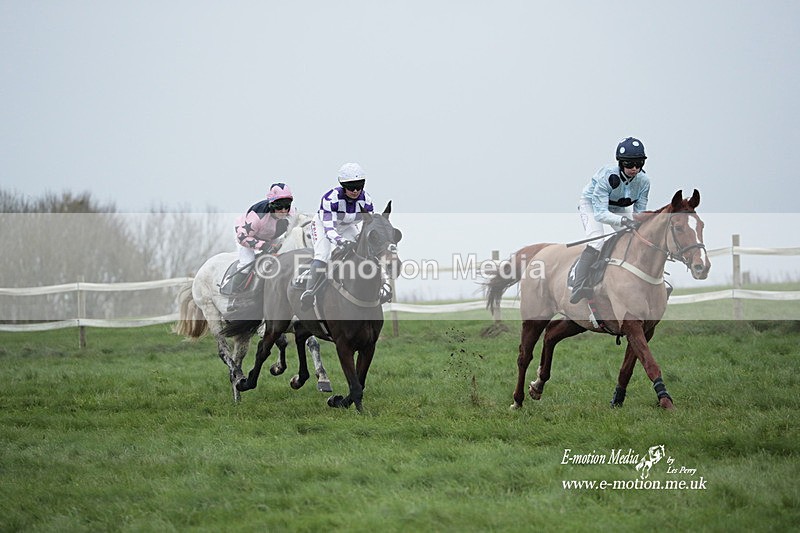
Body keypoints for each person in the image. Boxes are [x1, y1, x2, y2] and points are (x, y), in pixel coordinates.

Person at [570, 137, 651, 304]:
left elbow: (639, 213)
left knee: (634, 237)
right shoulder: (607, 177)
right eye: (629, 164)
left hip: (617, 207)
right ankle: (578, 285)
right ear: (621, 163)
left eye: (639, 164)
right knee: (597, 242)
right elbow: (600, 214)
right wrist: (624, 221)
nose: (634, 169)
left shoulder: (644, 181)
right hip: (592, 205)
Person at [300, 162, 374, 309]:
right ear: (342, 185)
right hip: (324, 226)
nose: (355, 191)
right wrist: (341, 242)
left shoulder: (367, 200)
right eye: (351, 187)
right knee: (323, 255)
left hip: (347, 226)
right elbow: (329, 230)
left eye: (359, 186)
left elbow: (368, 226)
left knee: (365, 251)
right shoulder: (331, 199)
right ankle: (309, 293)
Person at [226, 182, 297, 309]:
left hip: (271, 237)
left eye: (287, 206)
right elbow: (242, 237)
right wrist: (263, 246)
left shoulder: (291, 213)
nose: (283, 210)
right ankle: (234, 298)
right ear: (271, 204)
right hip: (246, 236)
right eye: (279, 206)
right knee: (246, 263)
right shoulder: (258, 215)